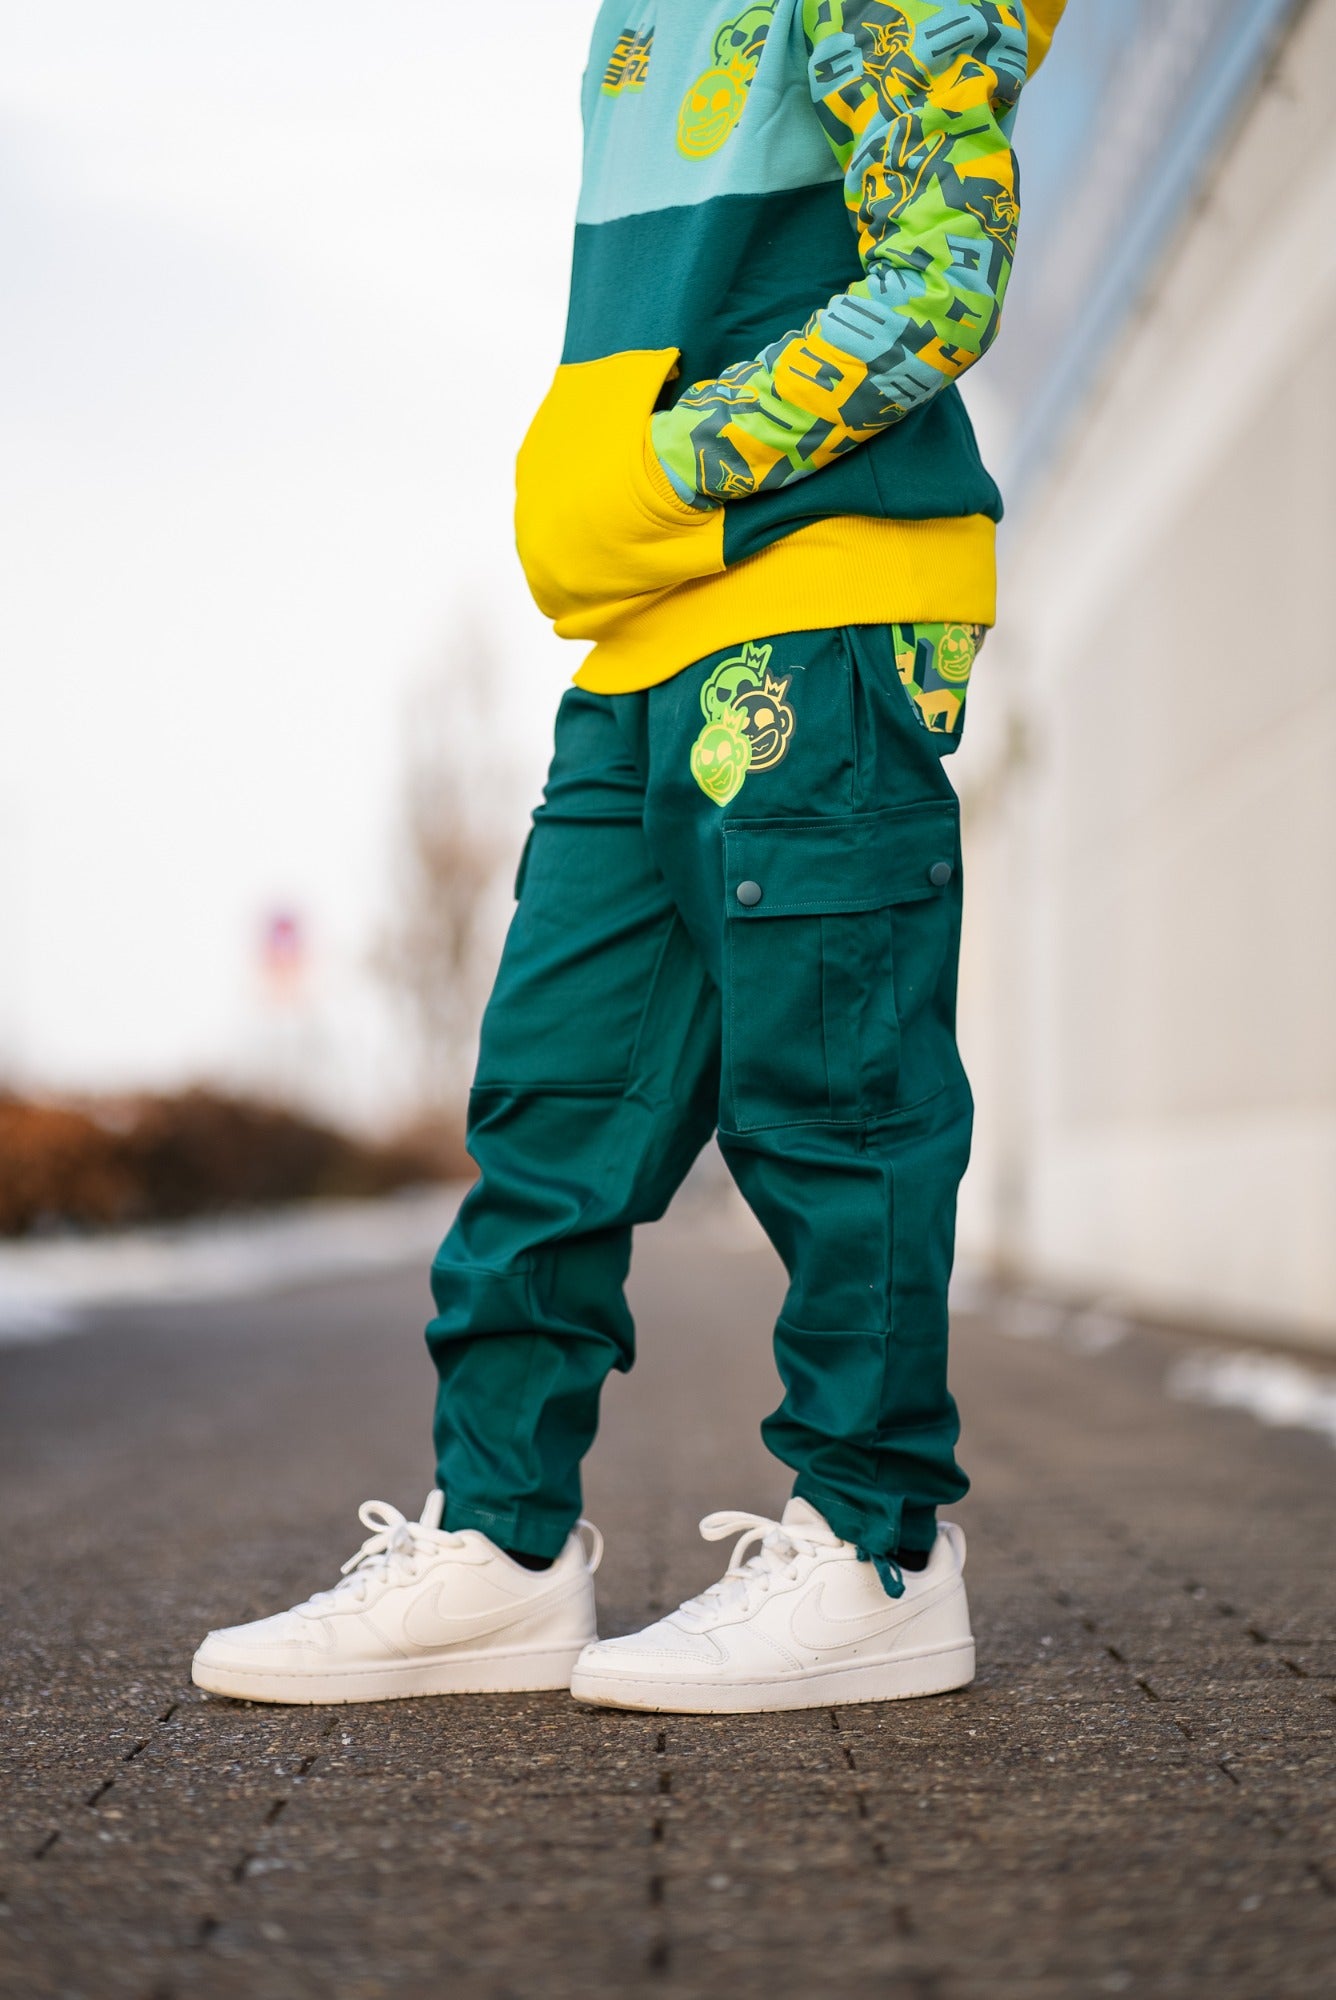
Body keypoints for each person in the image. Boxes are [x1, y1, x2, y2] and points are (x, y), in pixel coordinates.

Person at [193, 0, 1065, 1714]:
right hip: (644, 636)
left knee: (839, 1106)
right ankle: (500, 1553)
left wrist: (669, 469)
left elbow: (942, 273)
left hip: (816, 606)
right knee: (550, 1112)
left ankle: (877, 1551)